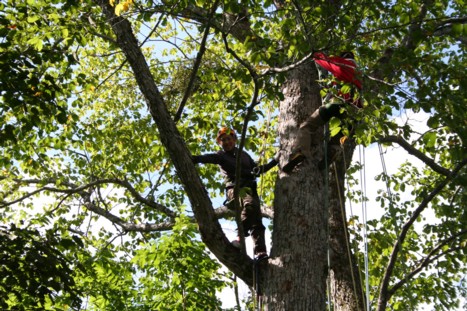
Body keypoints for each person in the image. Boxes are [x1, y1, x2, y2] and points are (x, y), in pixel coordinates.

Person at [192, 127, 278, 259]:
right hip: (235, 189)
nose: (226, 142)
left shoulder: (244, 155)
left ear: (234, 139)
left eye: (228, 139)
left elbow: (257, 170)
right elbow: (208, 158)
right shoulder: (221, 156)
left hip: (250, 189)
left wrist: (274, 161)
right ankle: (239, 237)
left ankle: (261, 252)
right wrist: (194, 159)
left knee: (257, 221)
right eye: (223, 140)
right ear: (220, 143)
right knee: (249, 206)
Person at [283, 51, 363, 173]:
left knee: (307, 126)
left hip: (337, 103)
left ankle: (301, 151)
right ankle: (332, 152)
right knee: (339, 136)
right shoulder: (360, 75)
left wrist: (314, 53)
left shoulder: (342, 64)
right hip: (354, 111)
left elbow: (325, 61)